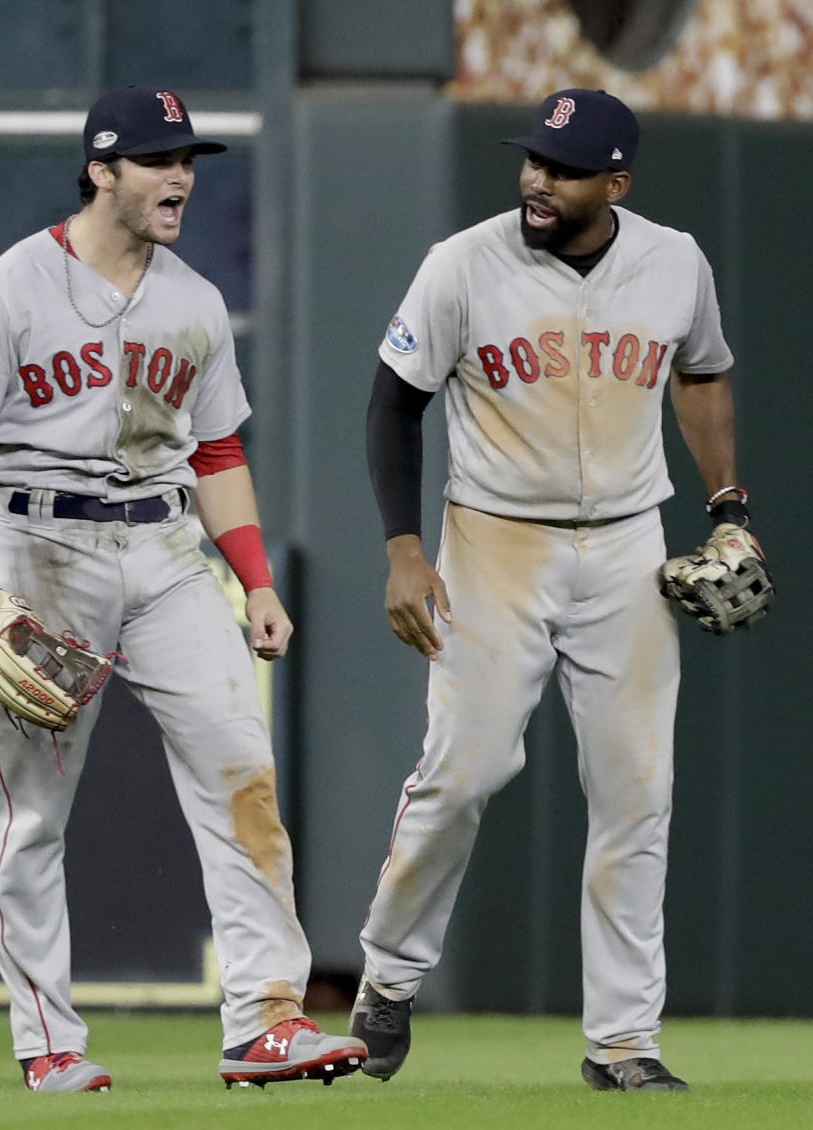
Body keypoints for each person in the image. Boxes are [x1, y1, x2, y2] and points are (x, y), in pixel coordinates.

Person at [0, 84, 366, 1093]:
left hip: (166, 555)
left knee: (243, 769)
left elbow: (215, 449)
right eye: (159, 160)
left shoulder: (194, 301)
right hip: (37, 544)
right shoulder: (12, 286)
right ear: (102, 170)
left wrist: (253, 579)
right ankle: (50, 1042)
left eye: (188, 159)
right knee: (31, 816)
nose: (181, 177)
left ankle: (265, 1020)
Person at [349, 88, 760, 1092]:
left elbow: (701, 373)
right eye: (534, 159)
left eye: (565, 168)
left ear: (615, 183)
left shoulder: (674, 261)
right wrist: (405, 546)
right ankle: (388, 975)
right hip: (492, 539)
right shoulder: (463, 264)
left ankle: (623, 1041)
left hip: (625, 541)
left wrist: (728, 504)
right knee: (464, 771)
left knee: (637, 793)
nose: (538, 178)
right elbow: (393, 403)